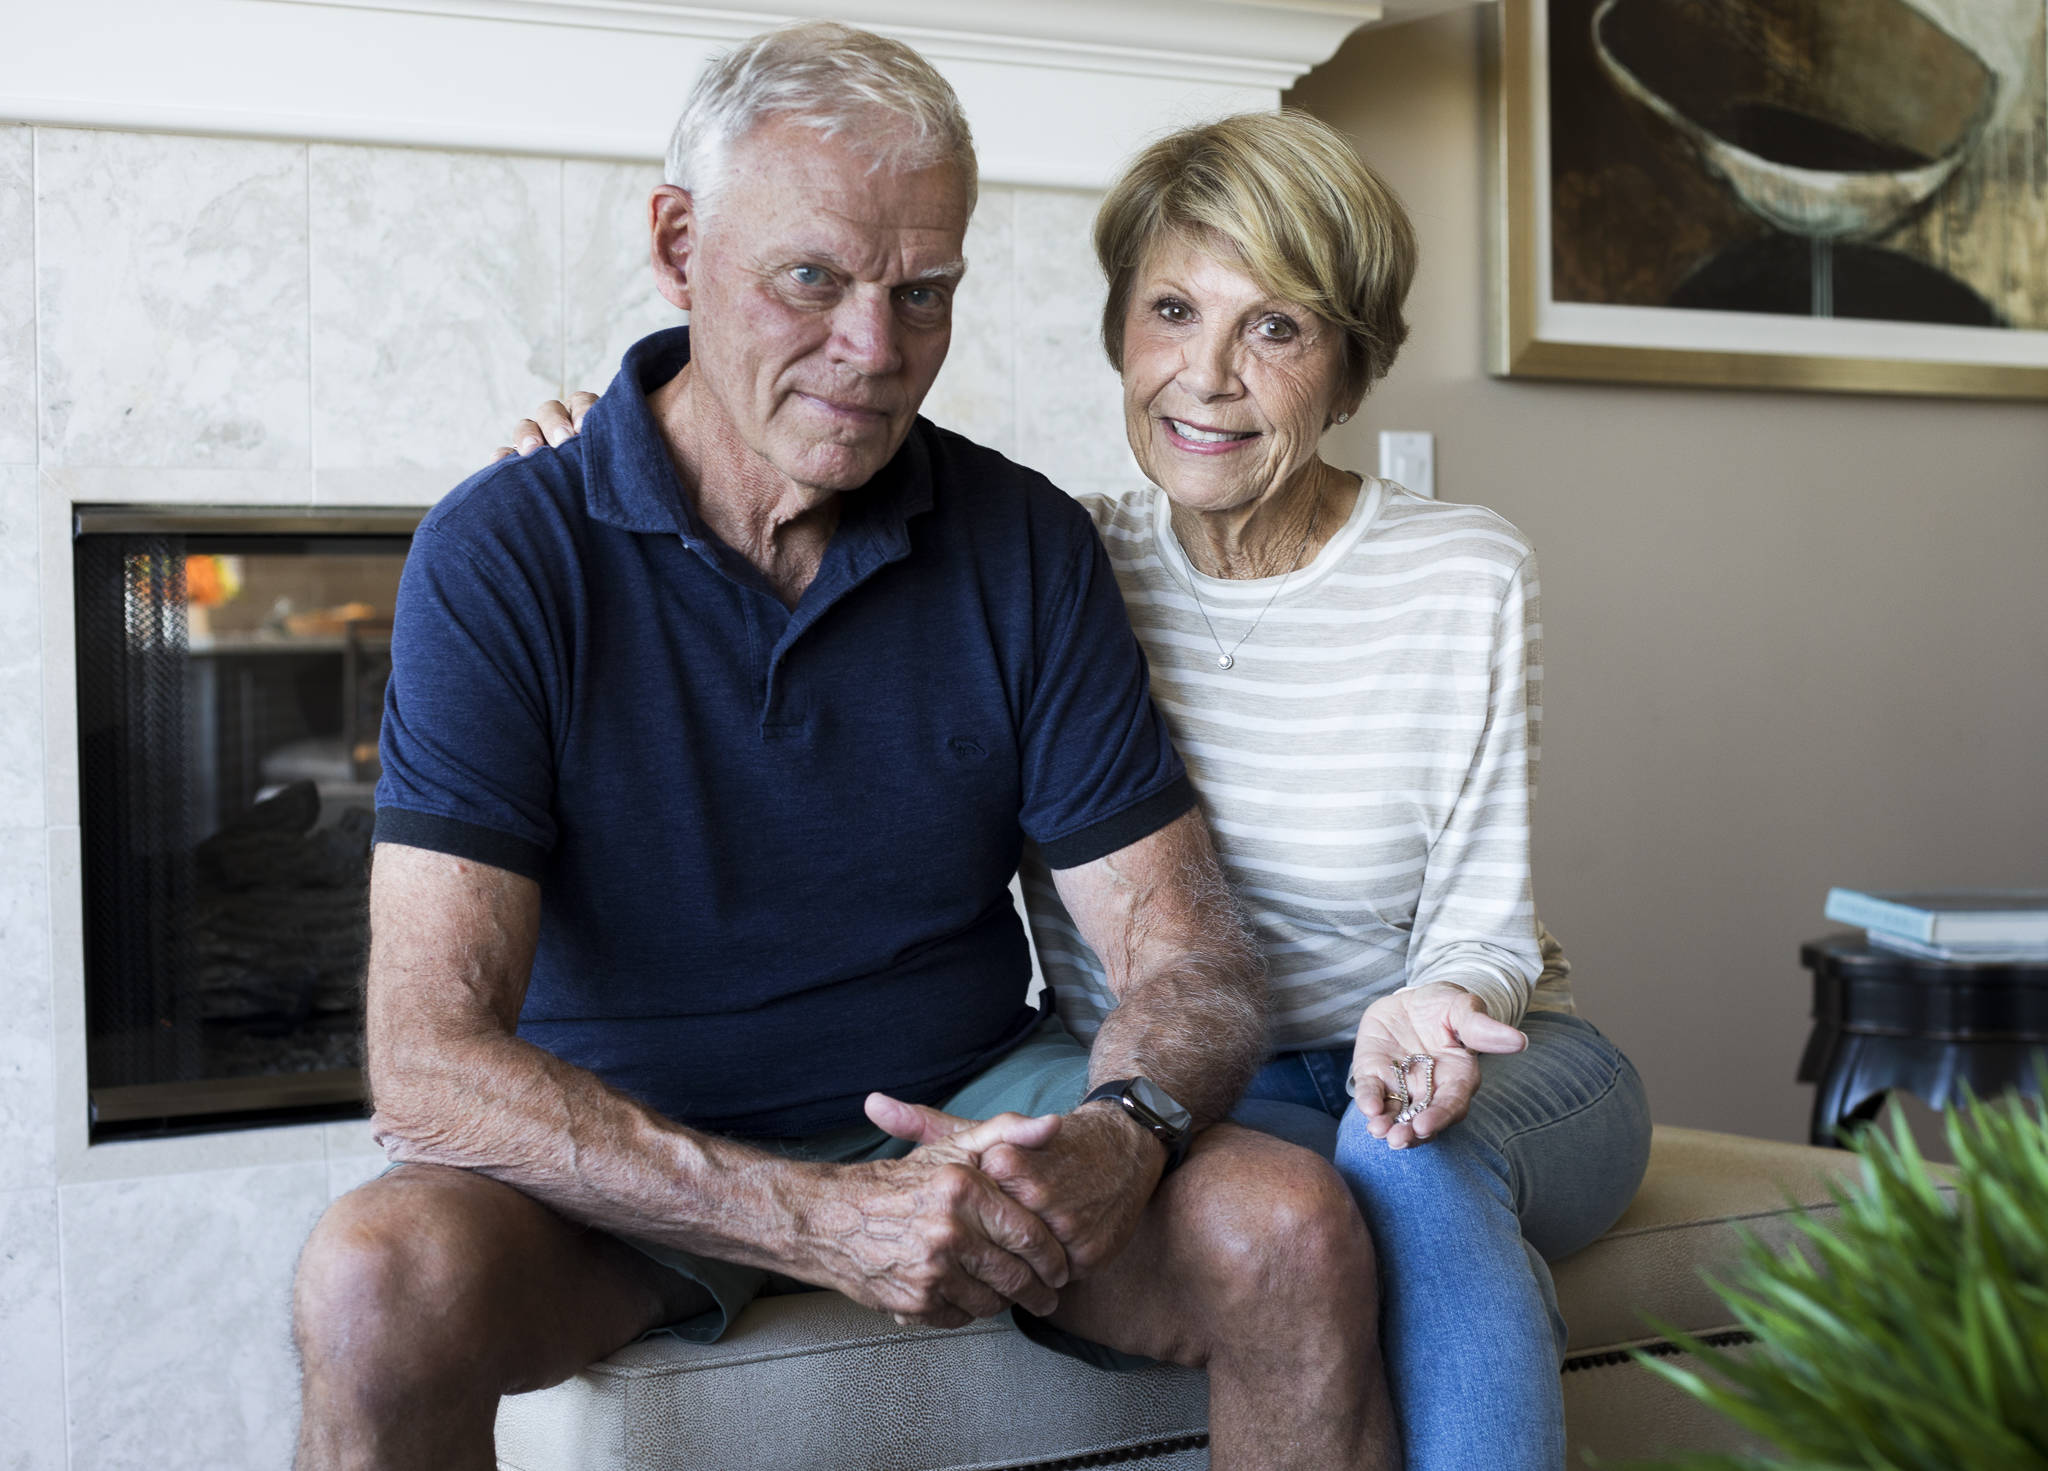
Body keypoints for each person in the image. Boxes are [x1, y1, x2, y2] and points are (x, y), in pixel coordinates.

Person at [290, 26, 1402, 1471]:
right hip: (617, 1161)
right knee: (373, 1280)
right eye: (811, 278)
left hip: (959, 1120)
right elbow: (426, 1062)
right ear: (680, 244)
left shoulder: (1021, 544)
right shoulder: (504, 551)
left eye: (922, 293)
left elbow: (1185, 955)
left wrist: (1124, 1129)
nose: (875, 356)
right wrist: (813, 1219)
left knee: (1288, 1226)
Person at [518, 109, 1653, 1471]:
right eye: (1173, 311)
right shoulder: (1049, 562)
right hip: (1193, 1083)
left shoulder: (1462, 570)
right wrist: (606, 450)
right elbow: (753, 476)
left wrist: (1439, 1004)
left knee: (1400, 1160)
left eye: (1278, 328)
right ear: (1120, 331)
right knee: (1289, 1198)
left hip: (1474, 1060)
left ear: (1350, 362)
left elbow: (1487, 914)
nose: (1210, 377)